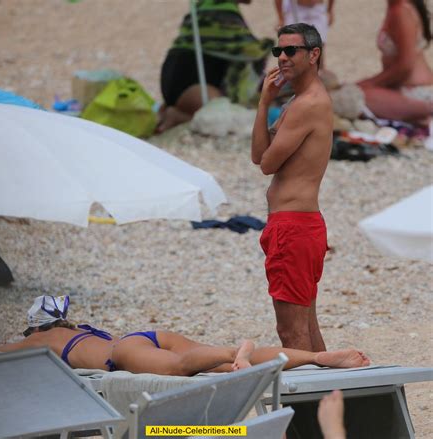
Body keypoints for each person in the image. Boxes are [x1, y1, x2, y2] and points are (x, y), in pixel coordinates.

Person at [0, 295, 370, 375]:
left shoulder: (38, 340)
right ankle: (316, 357)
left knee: (178, 367)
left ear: (37, 326)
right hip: (144, 336)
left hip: (122, 356)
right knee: (213, 365)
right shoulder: (81, 329)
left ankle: (233, 350)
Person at [251, 23, 333, 352]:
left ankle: (315, 403)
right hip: (298, 225)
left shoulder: (307, 104)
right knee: (307, 328)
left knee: (292, 333)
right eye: (278, 51)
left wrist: (268, 104)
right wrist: (264, 102)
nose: (282, 58)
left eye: (291, 50)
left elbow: (268, 164)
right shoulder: (298, 101)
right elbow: (258, 156)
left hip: (293, 227)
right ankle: (335, 399)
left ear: (313, 54)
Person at [157, 0, 273, 132]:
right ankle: (178, 116)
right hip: (195, 85)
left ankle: (171, 110)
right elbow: (250, 51)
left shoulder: (204, 5)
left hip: (174, 78)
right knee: (226, 121)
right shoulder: (223, 10)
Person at [357, 0, 432, 125]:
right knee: (352, 93)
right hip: (403, 87)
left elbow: (405, 66)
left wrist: (370, 83)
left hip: (416, 91)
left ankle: (424, 110)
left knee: (356, 97)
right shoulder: (397, 6)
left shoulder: (401, 10)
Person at [274, 0, 335, 69]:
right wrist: (281, 19)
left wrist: (330, 10)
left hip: (317, 8)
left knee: (318, 47)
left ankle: (318, 73)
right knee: (293, 47)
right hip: (296, 9)